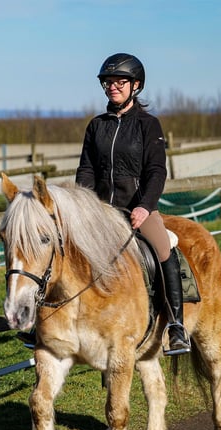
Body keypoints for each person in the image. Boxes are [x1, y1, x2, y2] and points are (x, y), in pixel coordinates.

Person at [75, 52, 190, 355]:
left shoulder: (148, 125)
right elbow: (86, 170)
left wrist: (144, 206)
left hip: (137, 209)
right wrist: (83, 207)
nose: (113, 87)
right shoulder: (96, 126)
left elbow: (156, 171)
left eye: (120, 82)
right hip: (101, 212)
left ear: (135, 85)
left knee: (164, 248)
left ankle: (176, 325)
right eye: (108, 82)